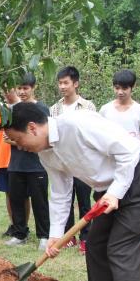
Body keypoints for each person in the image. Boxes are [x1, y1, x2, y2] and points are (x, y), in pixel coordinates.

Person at [2, 102, 140, 281]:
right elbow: (60, 191)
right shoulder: (45, 152)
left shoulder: (77, 124)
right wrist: (56, 235)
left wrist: (117, 192)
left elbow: (128, 150)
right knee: (96, 246)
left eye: (17, 139)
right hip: (107, 191)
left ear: (32, 128)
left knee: (122, 251)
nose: (18, 146)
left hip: (138, 176)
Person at [49, 66, 97, 254]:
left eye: (66, 83)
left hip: (83, 161)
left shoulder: (88, 106)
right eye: (60, 83)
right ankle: (68, 237)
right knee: (64, 199)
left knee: (84, 200)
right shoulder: (55, 109)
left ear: (75, 84)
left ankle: (86, 237)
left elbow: (93, 132)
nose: (62, 86)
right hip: (62, 160)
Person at [3, 73, 50, 250]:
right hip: (16, 163)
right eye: (19, 88)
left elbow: (43, 135)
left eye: (26, 88)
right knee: (16, 199)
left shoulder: (42, 109)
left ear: (33, 88)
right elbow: (7, 136)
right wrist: (18, 140)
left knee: (40, 201)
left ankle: (44, 236)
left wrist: (20, 140)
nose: (22, 92)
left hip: (37, 164)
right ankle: (19, 233)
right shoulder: (12, 110)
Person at [0, 85, 20, 237]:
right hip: (2, 157)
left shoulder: (22, 107)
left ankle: (23, 226)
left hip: (19, 157)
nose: (5, 93)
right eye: (3, 90)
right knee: (8, 193)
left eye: (8, 89)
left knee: (22, 195)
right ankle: (14, 224)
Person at [99, 69, 140, 145]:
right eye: (117, 88)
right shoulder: (105, 109)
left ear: (133, 87)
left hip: (133, 155)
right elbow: (99, 134)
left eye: (124, 88)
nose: (120, 92)